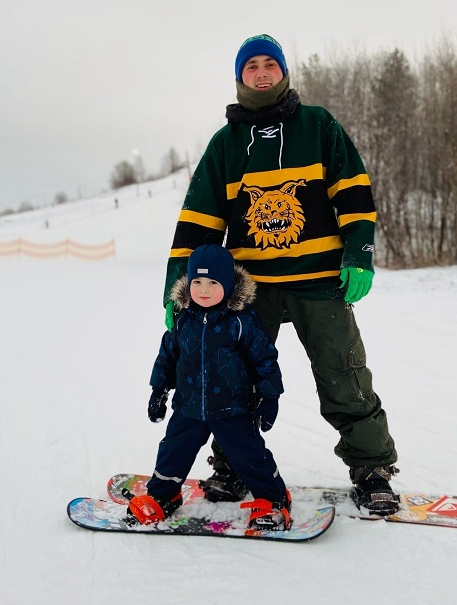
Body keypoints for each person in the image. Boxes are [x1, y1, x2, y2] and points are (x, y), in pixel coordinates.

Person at [162, 34, 399, 515]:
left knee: (343, 374)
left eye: (271, 64)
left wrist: (359, 254)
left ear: (284, 73)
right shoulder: (225, 145)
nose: (262, 73)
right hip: (251, 289)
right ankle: (231, 466)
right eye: (252, 67)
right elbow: (199, 222)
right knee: (234, 378)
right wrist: (180, 287)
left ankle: (371, 468)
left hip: (320, 281)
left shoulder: (318, 126)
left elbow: (353, 192)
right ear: (239, 77)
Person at [128, 243, 291, 532]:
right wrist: (159, 390)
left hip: (233, 407)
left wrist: (269, 396)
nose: (204, 289)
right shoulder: (182, 320)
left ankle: (274, 499)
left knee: (250, 456)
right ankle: (163, 495)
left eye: (213, 282)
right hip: (188, 406)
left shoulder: (241, 321)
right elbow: (167, 357)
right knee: (173, 452)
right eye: (197, 282)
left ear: (228, 285)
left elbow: (265, 359)